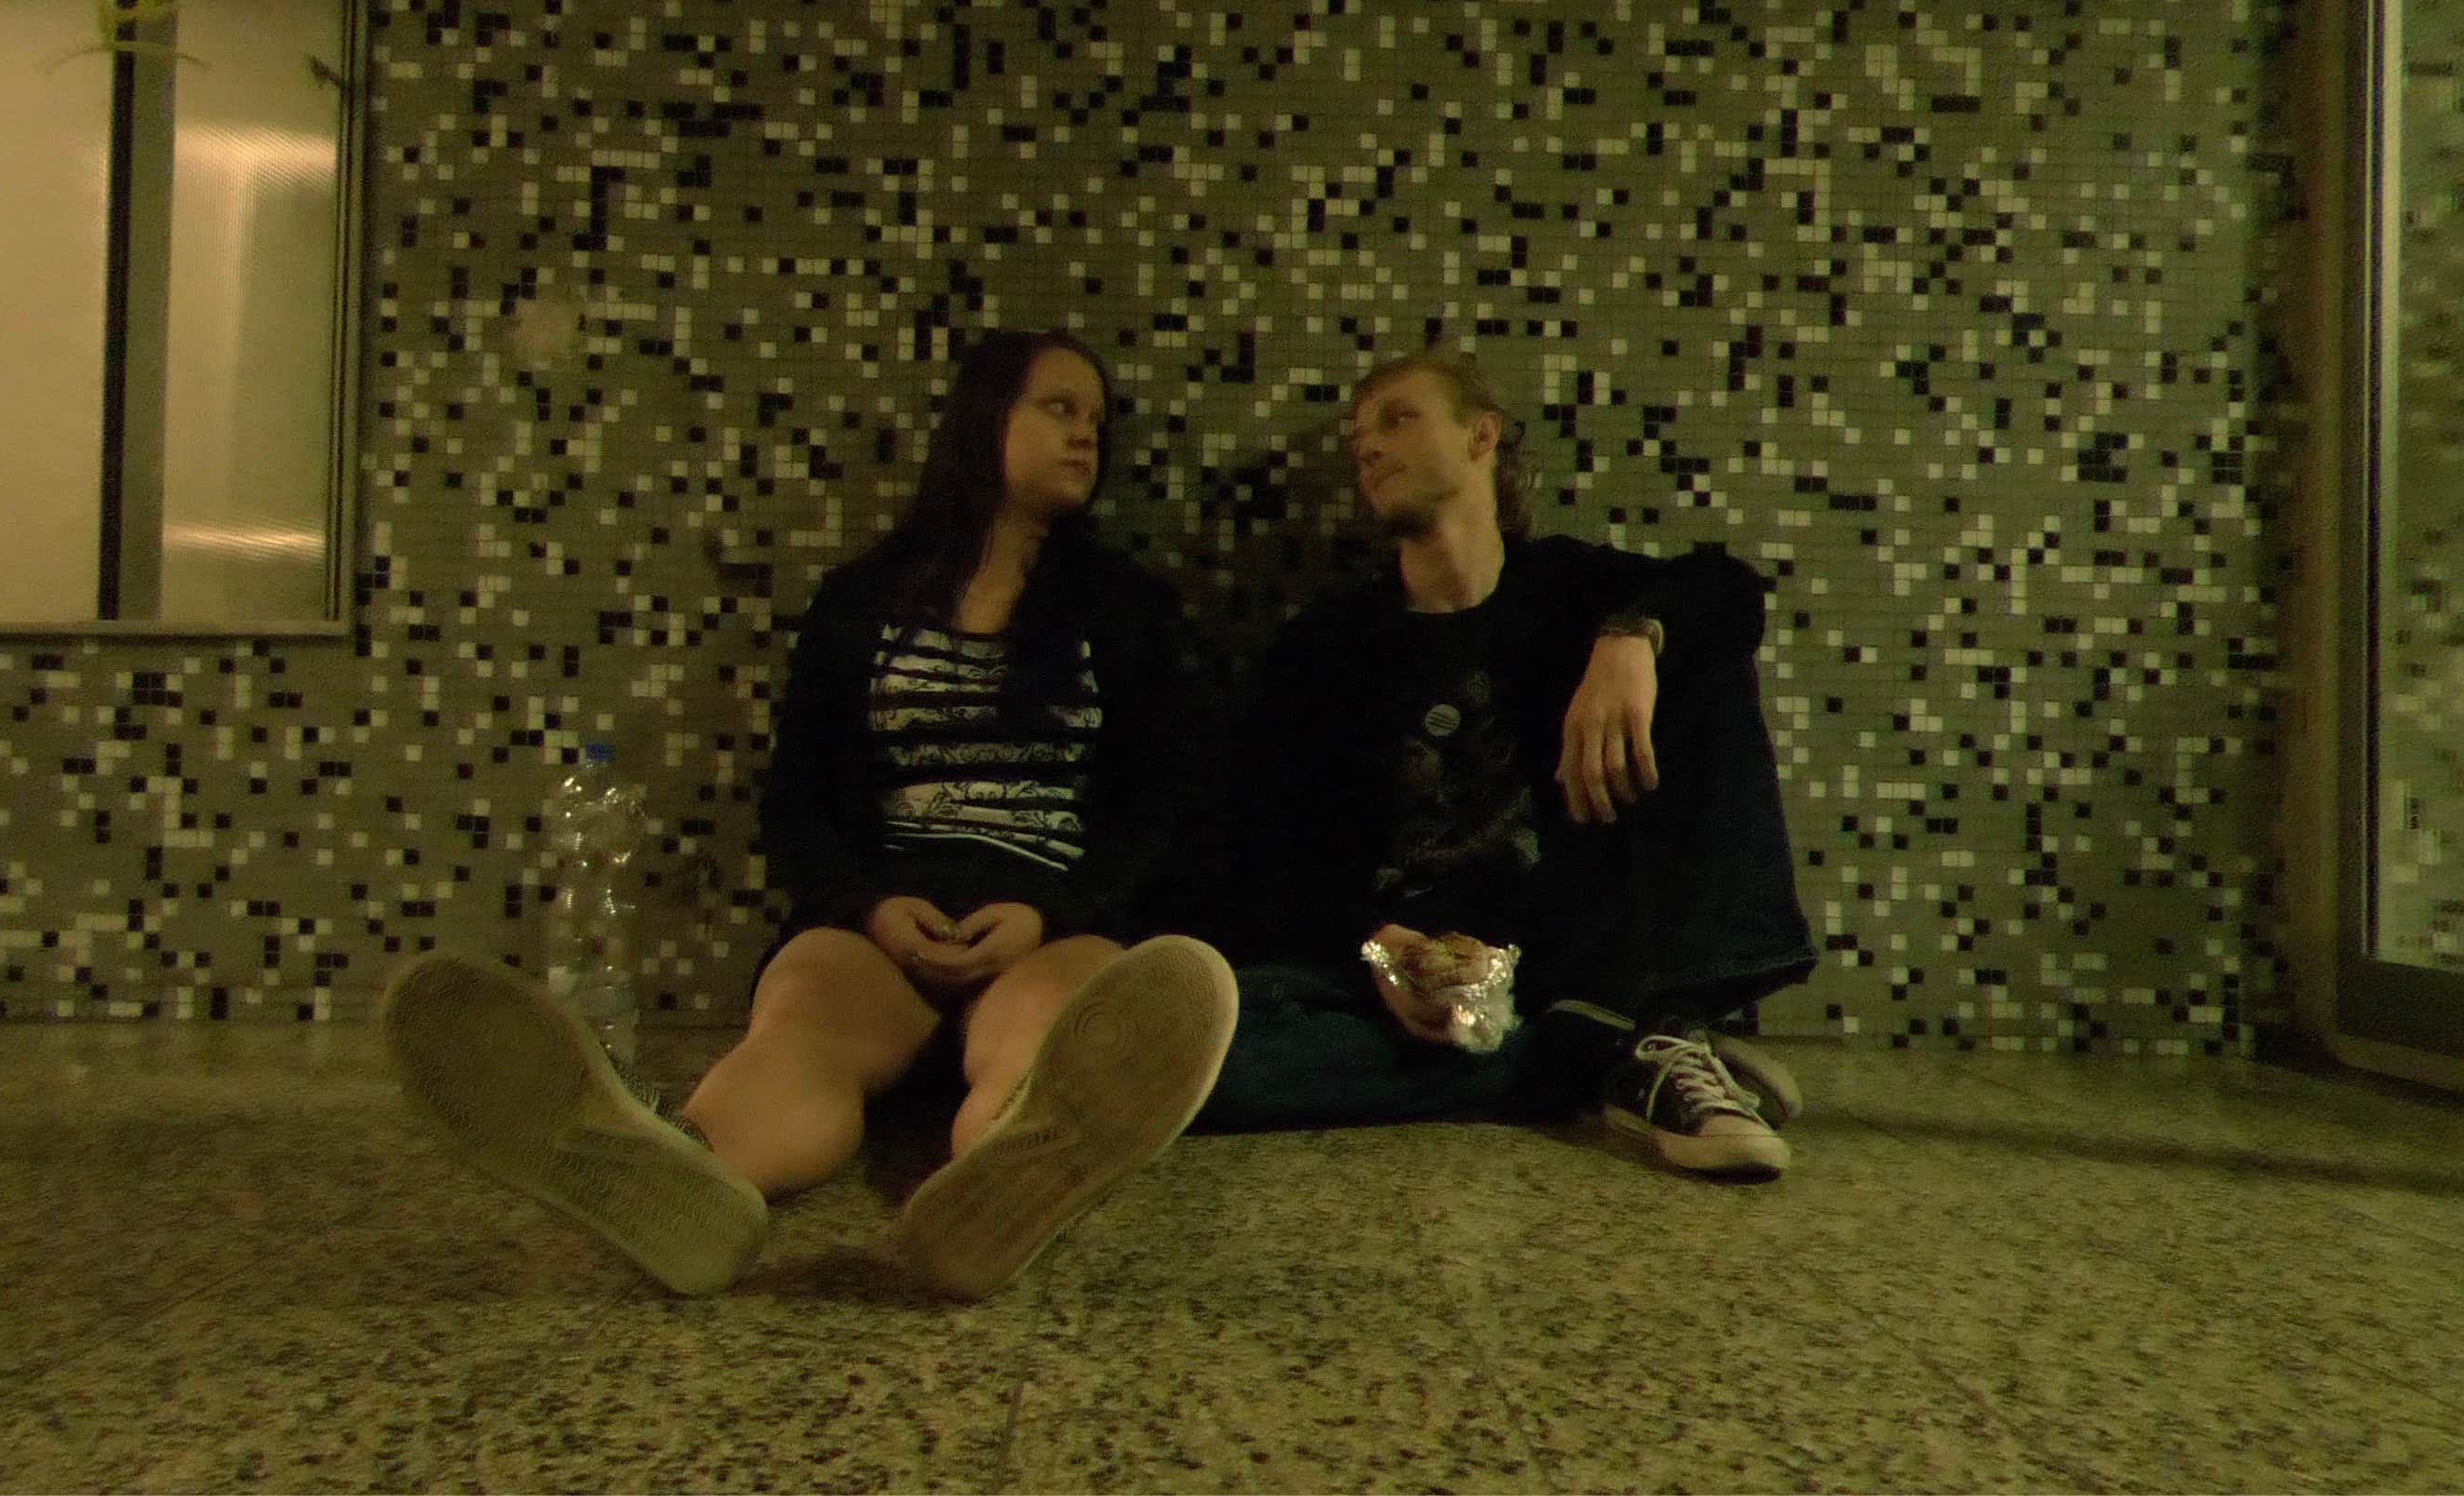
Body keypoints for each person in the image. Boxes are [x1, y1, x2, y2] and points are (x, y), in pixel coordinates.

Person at [380, 330, 1238, 1299]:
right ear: (984, 418)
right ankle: (680, 1176)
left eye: (1098, 421)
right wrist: (868, 906)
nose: (1087, 436)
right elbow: (797, 798)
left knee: (1043, 1047)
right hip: (882, 918)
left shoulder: (1126, 609)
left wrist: (1055, 911)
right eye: (1060, 408)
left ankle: (997, 1195)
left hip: (1045, 920)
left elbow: (1159, 803)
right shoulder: (864, 601)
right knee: (798, 1038)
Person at [1184, 346, 1817, 1178]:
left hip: (1564, 949)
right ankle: (1613, 1054)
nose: (1368, 447)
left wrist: (1632, 638)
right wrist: (1376, 947)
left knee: (1704, 657)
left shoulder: (1573, 589)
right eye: (1359, 437)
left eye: (1398, 418)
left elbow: (1727, 589)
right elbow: (1265, 851)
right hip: (1402, 976)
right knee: (1200, 1056)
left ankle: (1662, 1017)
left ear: (1482, 435)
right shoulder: (1326, 647)